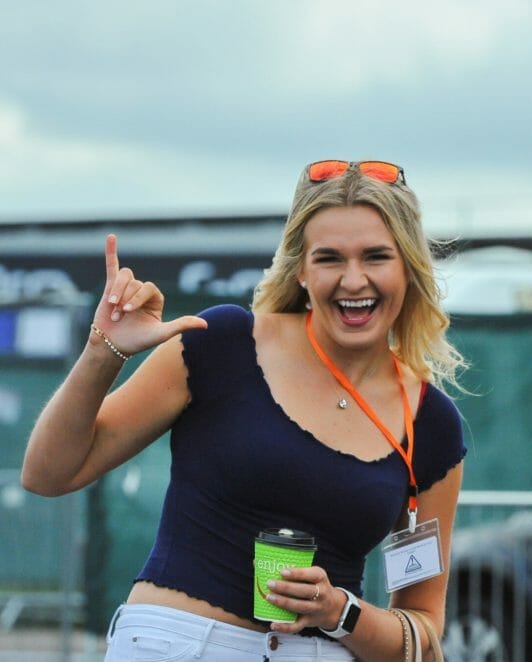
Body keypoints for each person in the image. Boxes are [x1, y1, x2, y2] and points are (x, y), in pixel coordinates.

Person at [21, 159, 467, 661]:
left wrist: (340, 612)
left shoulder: (429, 424)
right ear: (300, 269)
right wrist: (103, 352)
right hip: (176, 646)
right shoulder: (221, 344)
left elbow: (423, 636)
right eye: (329, 259)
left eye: (376, 257)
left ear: (408, 266)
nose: (353, 279)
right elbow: (48, 474)